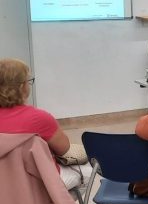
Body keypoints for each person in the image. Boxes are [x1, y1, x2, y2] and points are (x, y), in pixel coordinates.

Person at [0, 58, 92, 190]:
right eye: (28, 81)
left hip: (4, 187)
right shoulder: (38, 118)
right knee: (88, 172)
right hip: (36, 184)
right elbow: (64, 149)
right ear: (21, 87)